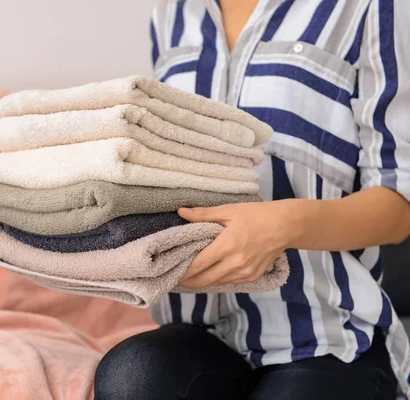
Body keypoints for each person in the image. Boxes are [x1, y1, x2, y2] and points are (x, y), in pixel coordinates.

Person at [94, 0, 410, 399]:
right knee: (132, 378)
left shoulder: (369, 8)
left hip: (331, 339)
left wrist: (281, 226)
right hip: (198, 330)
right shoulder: (172, 14)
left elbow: (399, 203)